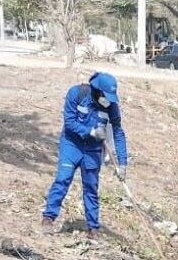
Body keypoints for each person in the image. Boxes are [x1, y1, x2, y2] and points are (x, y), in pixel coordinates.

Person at [43, 71, 128, 235]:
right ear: (97, 90)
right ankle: (48, 217)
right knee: (63, 179)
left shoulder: (112, 107)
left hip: (93, 150)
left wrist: (122, 164)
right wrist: (91, 132)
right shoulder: (77, 93)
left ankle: (93, 228)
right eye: (105, 96)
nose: (107, 100)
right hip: (71, 145)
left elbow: (118, 133)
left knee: (91, 187)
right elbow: (69, 122)